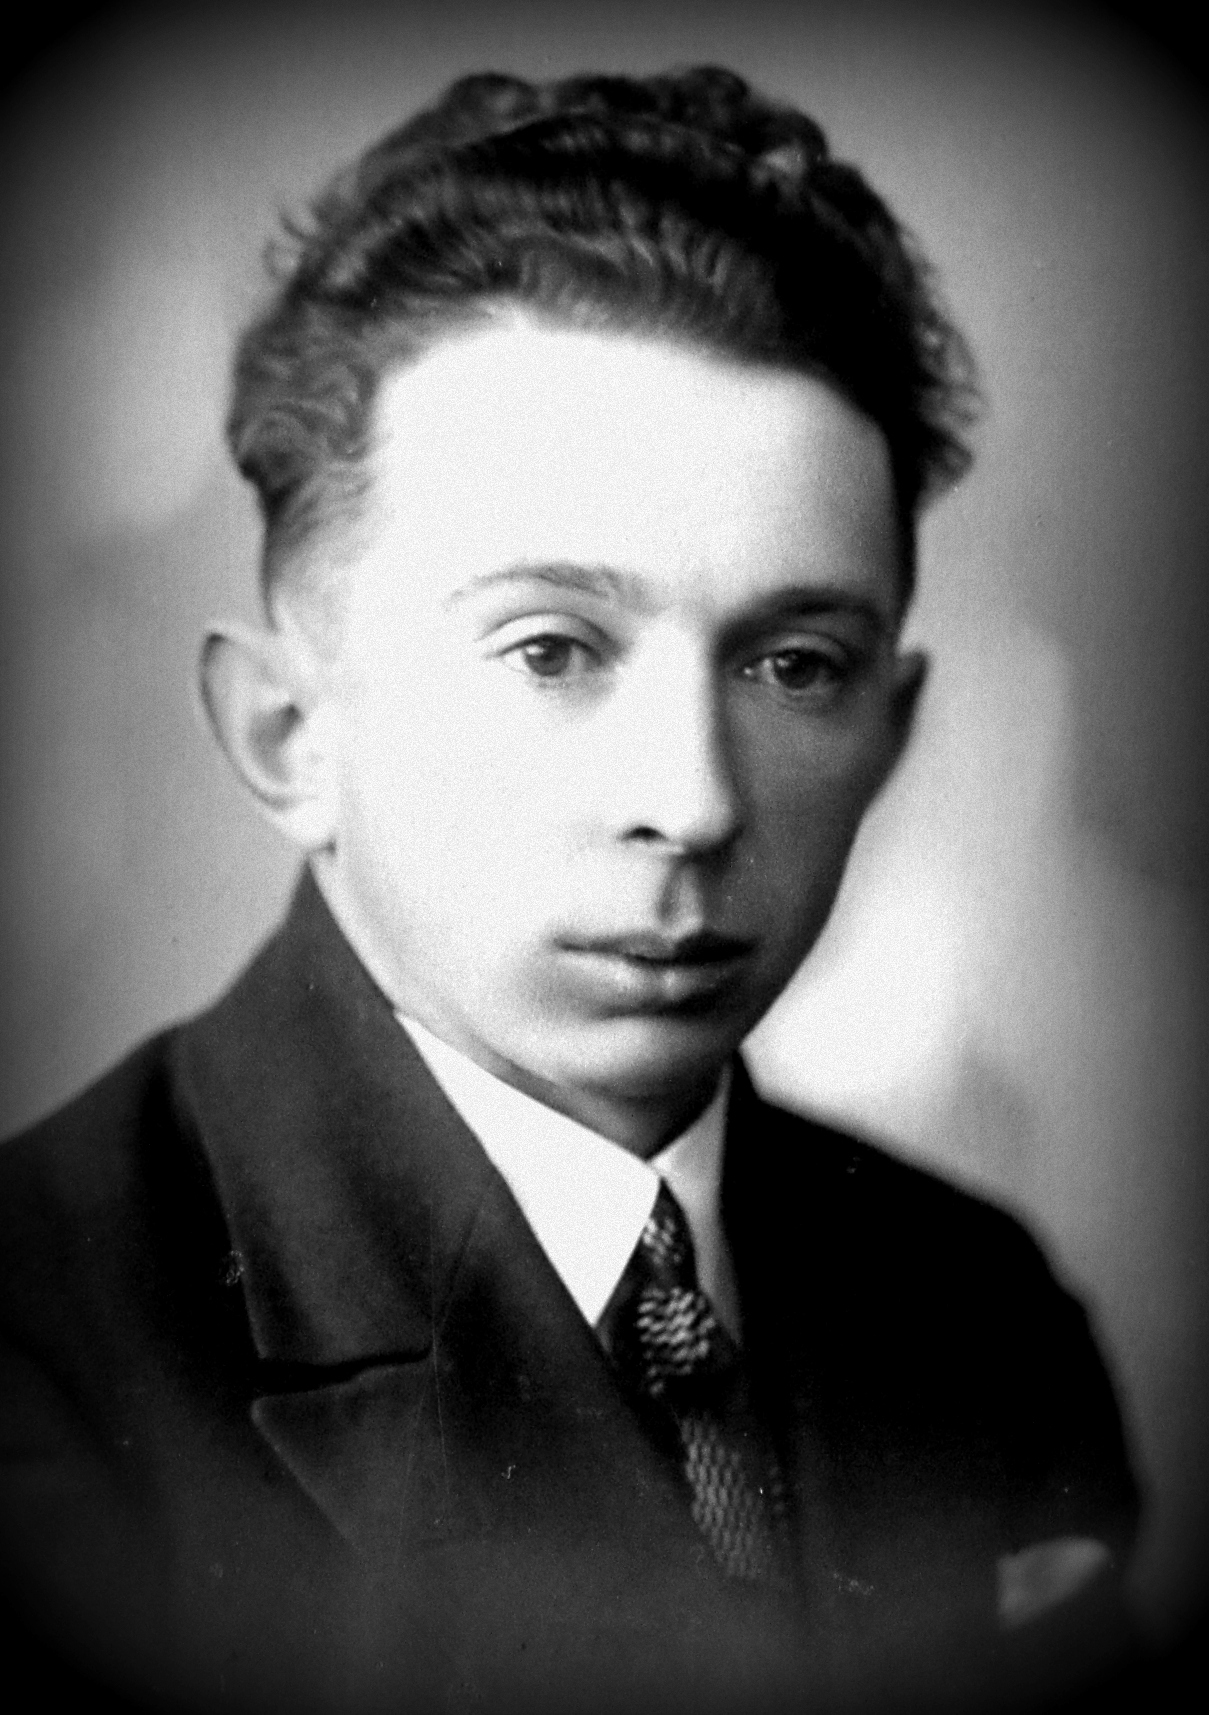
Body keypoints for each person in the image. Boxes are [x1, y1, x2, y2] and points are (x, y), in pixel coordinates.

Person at [0, 65, 1139, 1715]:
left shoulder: (983, 1320)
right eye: (551, 650)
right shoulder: (43, 1363)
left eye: (793, 664)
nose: (691, 802)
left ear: (891, 735)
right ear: (286, 732)